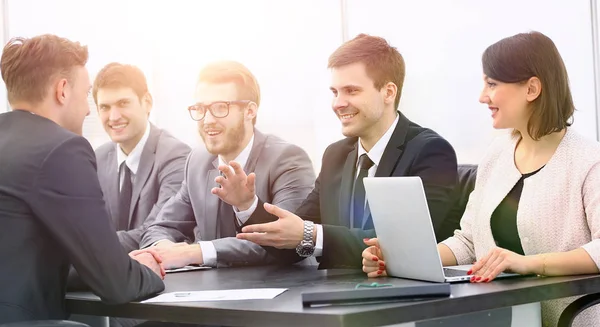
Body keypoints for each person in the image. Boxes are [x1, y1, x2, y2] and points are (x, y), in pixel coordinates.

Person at [362, 31, 600, 327]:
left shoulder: (590, 162)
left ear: (532, 89)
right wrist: (401, 258)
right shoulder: (497, 154)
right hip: (508, 318)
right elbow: (469, 241)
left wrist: (529, 264)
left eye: (492, 84)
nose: (482, 96)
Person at [229, 34, 458, 268]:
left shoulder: (430, 152)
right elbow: (291, 244)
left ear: (389, 92)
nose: (338, 103)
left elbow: (405, 244)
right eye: (335, 92)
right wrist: (247, 205)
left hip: (400, 296)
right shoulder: (336, 156)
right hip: (333, 297)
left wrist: (312, 235)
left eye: (351, 91)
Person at [0, 34, 165, 324]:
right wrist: (148, 269)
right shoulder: (61, 149)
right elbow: (116, 284)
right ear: (62, 90)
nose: (89, 109)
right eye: (87, 93)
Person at [140, 60, 315, 268]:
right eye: (200, 109)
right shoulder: (197, 161)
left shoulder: (288, 159)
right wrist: (164, 251)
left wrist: (194, 252)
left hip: (281, 291)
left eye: (220, 108)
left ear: (250, 111)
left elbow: (288, 241)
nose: (207, 120)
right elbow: (160, 227)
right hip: (210, 294)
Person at [93, 62, 190, 252]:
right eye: (104, 107)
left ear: (147, 102)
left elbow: (157, 231)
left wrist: (85, 248)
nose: (113, 117)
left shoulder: (176, 156)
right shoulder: (98, 159)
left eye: (123, 104)